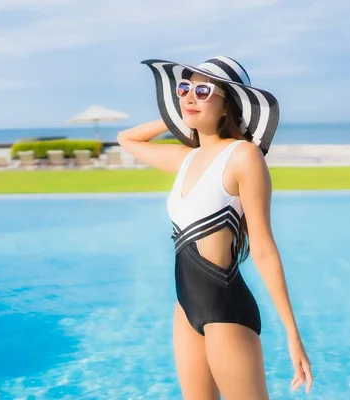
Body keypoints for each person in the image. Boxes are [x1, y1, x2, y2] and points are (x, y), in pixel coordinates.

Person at [117, 56, 313, 399]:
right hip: (186, 307)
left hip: (226, 308)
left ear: (227, 106)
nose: (190, 96)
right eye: (184, 88)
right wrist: (179, 113)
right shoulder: (185, 158)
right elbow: (127, 139)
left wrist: (292, 334)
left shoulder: (243, 156)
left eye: (204, 90)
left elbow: (264, 248)